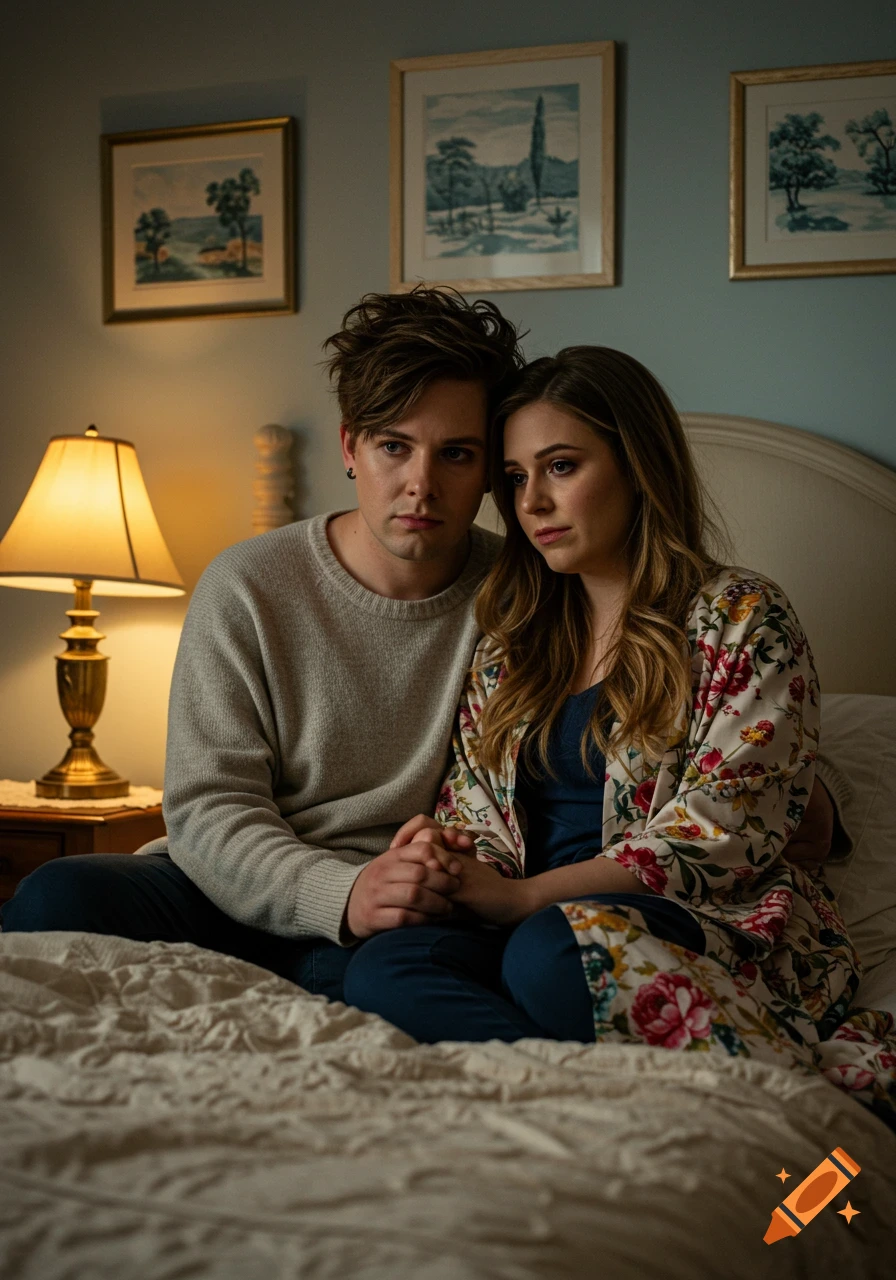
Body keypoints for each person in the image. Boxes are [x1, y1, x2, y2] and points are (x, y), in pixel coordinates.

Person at [1, 306, 837, 1005]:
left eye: (460, 456)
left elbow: (703, 759)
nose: (421, 485)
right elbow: (211, 813)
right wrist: (344, 896)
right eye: (394, 446)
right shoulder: (250, 585)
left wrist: (808, 798)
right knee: (57, 894)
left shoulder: (522, 597)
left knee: (379, 985)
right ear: (349, 448)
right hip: (259, 884)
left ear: (483, 474)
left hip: (415, 900)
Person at [341, 345, 896, 1131]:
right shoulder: (514, 636)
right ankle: (575, 1105)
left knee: (554, 953)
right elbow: (474, 798)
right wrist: (452, 862)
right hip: (517, 922)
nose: (532, 501)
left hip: (694, 928)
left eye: (561, 466)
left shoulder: (741, 617)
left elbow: (727, 827)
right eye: (515, 477)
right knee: (386, 967)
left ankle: (758, 1090)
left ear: (637, 465)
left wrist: (526, 899)